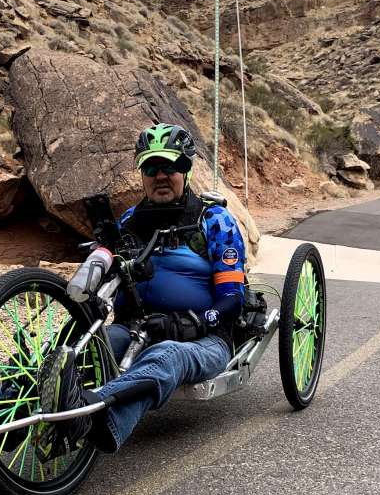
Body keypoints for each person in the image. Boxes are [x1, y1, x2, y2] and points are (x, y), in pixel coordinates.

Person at [43, 123, 247, 454]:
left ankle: (91, 418)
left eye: (170, 166)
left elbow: (232, 301)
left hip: (206, 339)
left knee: (165, 355)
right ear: (141, 174)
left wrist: (193, 321)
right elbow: (108, 280)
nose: (160, 175)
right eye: (151, 167)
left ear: (187, 168)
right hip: (135, 329)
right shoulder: (128, 223)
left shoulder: (214, 220)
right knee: (74, 348)